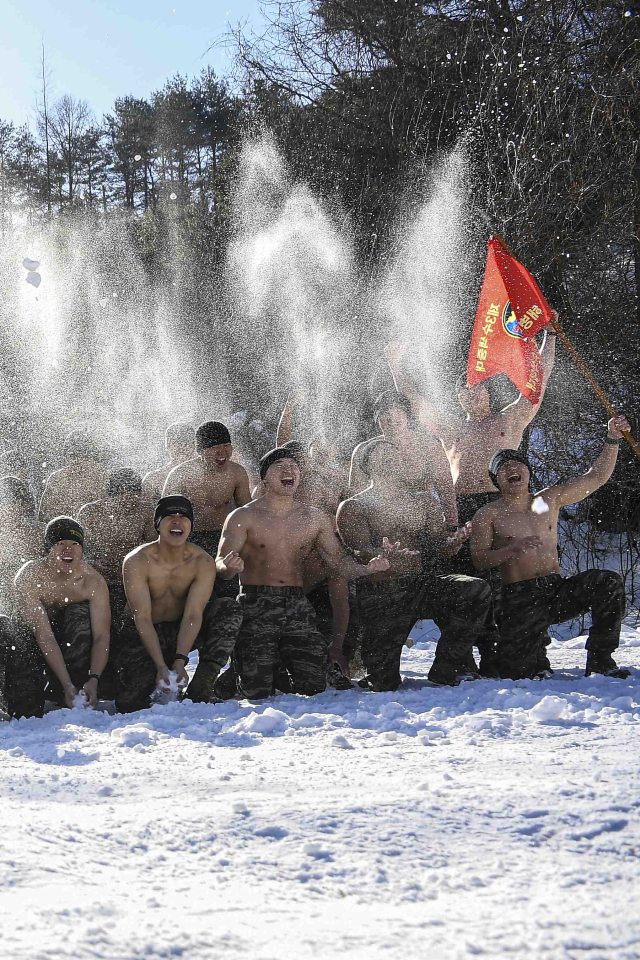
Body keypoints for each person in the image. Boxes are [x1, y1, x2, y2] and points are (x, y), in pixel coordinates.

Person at [214, 447, 389, 699]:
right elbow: (221, 564)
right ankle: (246, 669)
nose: (288, 471)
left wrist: (366, 568)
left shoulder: (314, 518)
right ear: (264, 478)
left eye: (293, 466)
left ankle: (275, 661)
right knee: (256, 691)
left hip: (296, 604)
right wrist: (228, 567)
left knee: (313, 686)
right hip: (255, 603)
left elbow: (337, 564)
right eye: (280, 466)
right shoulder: (243, 516)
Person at [470, 416, 632, 680]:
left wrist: (612, 438)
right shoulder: (488, 514)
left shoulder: (546, 500)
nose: (513, 468)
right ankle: (533, 655)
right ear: (496, 479)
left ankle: (601, 661)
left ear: (528, 472)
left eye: (518, 463)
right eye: (504, 467)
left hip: (556, 589)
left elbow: (597, 477)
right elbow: (479, 559)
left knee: (607, 582)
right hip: (518, 598)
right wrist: (511, 550)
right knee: (517, 673)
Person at [337, 440, 497, 690]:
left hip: (421, 586)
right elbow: (360, 551)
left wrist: (453, 542)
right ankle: (376, 667)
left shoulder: (424, 502)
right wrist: (383, 555)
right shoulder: (354, 506)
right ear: (368, 465)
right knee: (382, 683)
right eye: (383, 456)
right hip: (383, 595)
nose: (392, 460)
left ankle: (449, 667)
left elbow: (438, 547)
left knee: (474, 589)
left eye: (395, 455)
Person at [115, 495, 243, 713]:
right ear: (158, 524)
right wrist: (160, 665)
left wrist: (180, 661)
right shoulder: (137, 560)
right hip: (143, 634)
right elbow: (142, 617)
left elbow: (193, 614)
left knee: (228, 609)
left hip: (180, 629)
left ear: (191, 525)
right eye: (169, 516)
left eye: (183, 517)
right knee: (132, 704)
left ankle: (203, 684)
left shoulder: (202, 561)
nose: (177, 522)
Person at [0, 516, 111, 718]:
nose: (67, 550)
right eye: (60, 544)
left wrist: (93, 679)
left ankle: (64, 688)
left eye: (74, 544)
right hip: (27, 642)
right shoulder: (32, 575)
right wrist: (66, 682)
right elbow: (44, 636)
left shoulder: (92, 581)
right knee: (27, 711)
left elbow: (102, 636)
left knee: (79, 615)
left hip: (63, 641)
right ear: (48, 549)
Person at [349, 387, 458, 529]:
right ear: (377, 418)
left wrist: (451, 527)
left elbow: (446, 490)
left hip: (422, 521)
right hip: (381, 524)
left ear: (407, 415)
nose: (392, 418)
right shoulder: (365, 450)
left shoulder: (428, 446)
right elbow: (356, 496)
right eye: (385, 413)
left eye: (398, 411)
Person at [162, 421, 251, 595]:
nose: (222, 453)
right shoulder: (181, 474)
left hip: (224, 539)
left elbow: (247, 512)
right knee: (190, 595)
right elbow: (164, 518)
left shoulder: (237, 473)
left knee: (227, 593)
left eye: (227, 446)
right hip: (188, 540)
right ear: (200, 451)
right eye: (215, 448)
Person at [79, 468, 154, 631]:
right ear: (109, 497)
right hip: (97, 578)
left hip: (131, 581)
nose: (129, 503)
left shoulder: (145, 512)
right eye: (123, 498)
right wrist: (93, 566)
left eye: (134, 498)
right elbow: (78, 554)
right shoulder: (91, 513)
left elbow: (154, 553)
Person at [39, 432, 110, 522]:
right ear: (66, 457)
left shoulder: (103, 477)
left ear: (91, 457)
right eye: (72, 456)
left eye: (82, 455)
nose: (77, 460)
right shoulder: (57, 479)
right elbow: (43, 515)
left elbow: (110, 511)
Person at [0, 476, 42, 605]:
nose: (4, 507)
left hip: (34, 599)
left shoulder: (40, 532)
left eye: (9, 502)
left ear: (24, 505)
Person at [142, 421, 196, 505]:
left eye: (186, 443)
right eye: (176, 443)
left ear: (194, 446)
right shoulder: (154, 479)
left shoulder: (206, 475)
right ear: (167, 446)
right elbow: (144, 511)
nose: (181, 448)